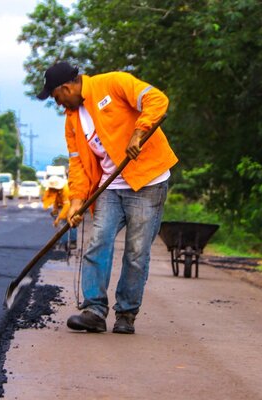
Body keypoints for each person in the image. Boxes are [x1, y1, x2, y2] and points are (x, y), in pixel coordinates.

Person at [36, 62, 178, 334]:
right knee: (98, 241)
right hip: (110, 188)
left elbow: (157, 100)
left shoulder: (113, 83)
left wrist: (140, 131)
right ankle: (94, 310)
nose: (58, 104)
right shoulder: (72, 119)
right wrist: (77, 201)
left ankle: (126, 314)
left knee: (136, 252)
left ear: (66, 88)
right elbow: (77, 163)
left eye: (56, 97)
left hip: (148, 182)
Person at [42, 175, 77, 249]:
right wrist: (55, 210)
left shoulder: (66, 189)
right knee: (61, 224)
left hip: (72, 204)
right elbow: (56, 200)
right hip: (64, 204)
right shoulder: (55, 190)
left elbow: (67, 205)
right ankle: (63, 241)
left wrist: (58, 218)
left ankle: (73, 241)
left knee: (70, 220)